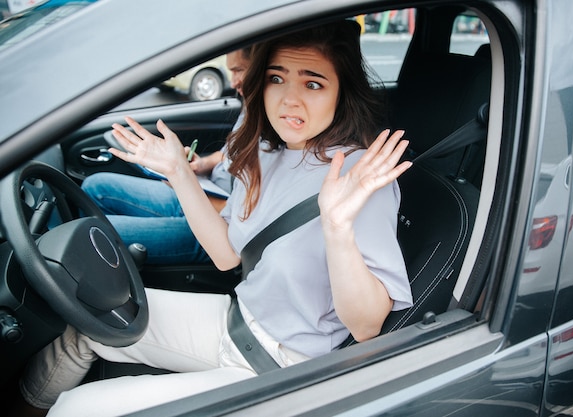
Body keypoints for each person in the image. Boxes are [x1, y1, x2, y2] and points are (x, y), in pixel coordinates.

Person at [13, 20, 413, 417]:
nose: (289, 100)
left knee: (78, 408)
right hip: (235, 322)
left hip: (285, 366)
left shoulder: (361, 177)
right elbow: (227, 256)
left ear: (342, 93)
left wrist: (337, 228)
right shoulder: (267, 150)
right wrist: (179, 172)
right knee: (92, 317)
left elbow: (365, 327)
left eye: (313, 83)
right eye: (277, 78)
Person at [79, 47, 251, 265]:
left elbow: (244, 217)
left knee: (92, 233)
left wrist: (183, 180)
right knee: (96, 186)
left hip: (217, 220)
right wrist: (202, 164)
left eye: (239, 70)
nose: (233, 81)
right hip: (205, 190)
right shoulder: (251, 109)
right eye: (231, 71)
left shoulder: (280, 134)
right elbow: (228, 153)